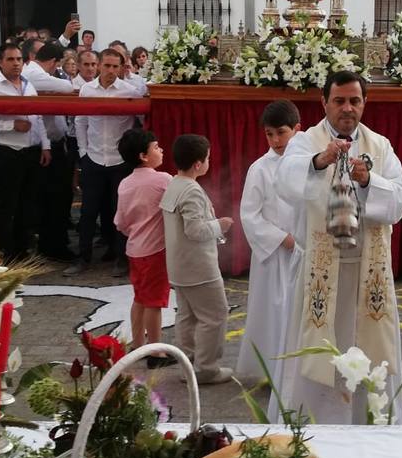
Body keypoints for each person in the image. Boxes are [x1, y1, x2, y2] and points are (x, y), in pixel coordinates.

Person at [277, 71, 402, 425]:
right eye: (339, 100)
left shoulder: (380, 146)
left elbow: (401, 198)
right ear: (324, 103)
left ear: (365, 103)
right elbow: (285, 180)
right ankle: (310, 425)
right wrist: (320, 161)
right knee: (315, 357)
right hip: (318, 275)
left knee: (369, 356)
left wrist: (369, 180)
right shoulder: (306, 142)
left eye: (355, 100)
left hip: (366, 273)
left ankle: (370, 424)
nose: (347, 108)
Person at [235, 101, 304, 385]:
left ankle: (300, 371)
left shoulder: (311, 162)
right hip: (275, 254)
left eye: (282, 133)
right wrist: (281, 238)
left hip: (305, 250)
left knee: (300, 310)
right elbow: (249, 214)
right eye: (269, 134)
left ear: (297, 130)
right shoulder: (259, 169)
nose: (275, 141)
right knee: (274, 312)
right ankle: (273, 371)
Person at [159, 134, 233, 384]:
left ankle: (187, 365)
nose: (210, 162)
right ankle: (206, 369)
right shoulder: (191, 190)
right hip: (198, 268)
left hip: (179, 266)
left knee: (187, 316)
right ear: (199, 164)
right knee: (215, 315)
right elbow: (195, 230)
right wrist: (219, 226)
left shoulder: (174, 184)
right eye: (208, 158)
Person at [0, 45, 50, 262]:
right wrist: (11, 125)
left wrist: (46, 145)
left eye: (19, 59)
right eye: (11, 59)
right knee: (9, 204)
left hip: (31, 151)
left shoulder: (29, 85)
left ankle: (23, 248)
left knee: (29, 203)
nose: (16, 63)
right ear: (0, 62)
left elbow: (38, 117)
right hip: (8, 151)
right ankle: (8, 251)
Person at [71, 48, 140, 275]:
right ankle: (83, 258)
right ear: (99, 65)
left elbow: (140, 122)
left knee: (120, 212)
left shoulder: (130, 91)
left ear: (121, 68)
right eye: (107, 65)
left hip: (120, 161)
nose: (110, 70)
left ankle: (121, 259)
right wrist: (83, 152)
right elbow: (80, 121)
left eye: (115, 66)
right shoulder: (87, 90)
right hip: (94, 157)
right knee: (88, 212)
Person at [114, 129, 174, 366]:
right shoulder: (163, 180)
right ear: (143, 155)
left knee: (140, 298)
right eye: (156, 147)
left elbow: (120, 221)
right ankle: (155, 351)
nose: (161, 151)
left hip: (134, 248)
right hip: (155, 250)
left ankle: (138, 344)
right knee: (154, 303)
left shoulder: (125, 183)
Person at [23, 42, 78, 262]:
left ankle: (56, 241)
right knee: (52, 198)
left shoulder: (40, 73)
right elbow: (66, 87)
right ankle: (52, 244)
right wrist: (66, 82)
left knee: (61, 196)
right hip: (45, 146)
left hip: (56, 142)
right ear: (54, 62)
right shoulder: (33, 73)